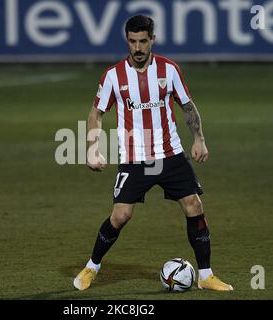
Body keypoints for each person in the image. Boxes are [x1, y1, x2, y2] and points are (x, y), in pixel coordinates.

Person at [73, 15, 233, 292]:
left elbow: (187, 106)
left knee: (194, 206)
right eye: (133, 42)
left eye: (143, 41)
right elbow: (96, 113)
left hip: (170, 153)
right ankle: (91, 267)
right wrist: (92, 148)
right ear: (127, 41)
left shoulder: (169, 70)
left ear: (152, 40)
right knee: (120, 215)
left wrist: (199, 139)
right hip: (135, 158)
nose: (137, 48)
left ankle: (205, 275)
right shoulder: (113, 76)